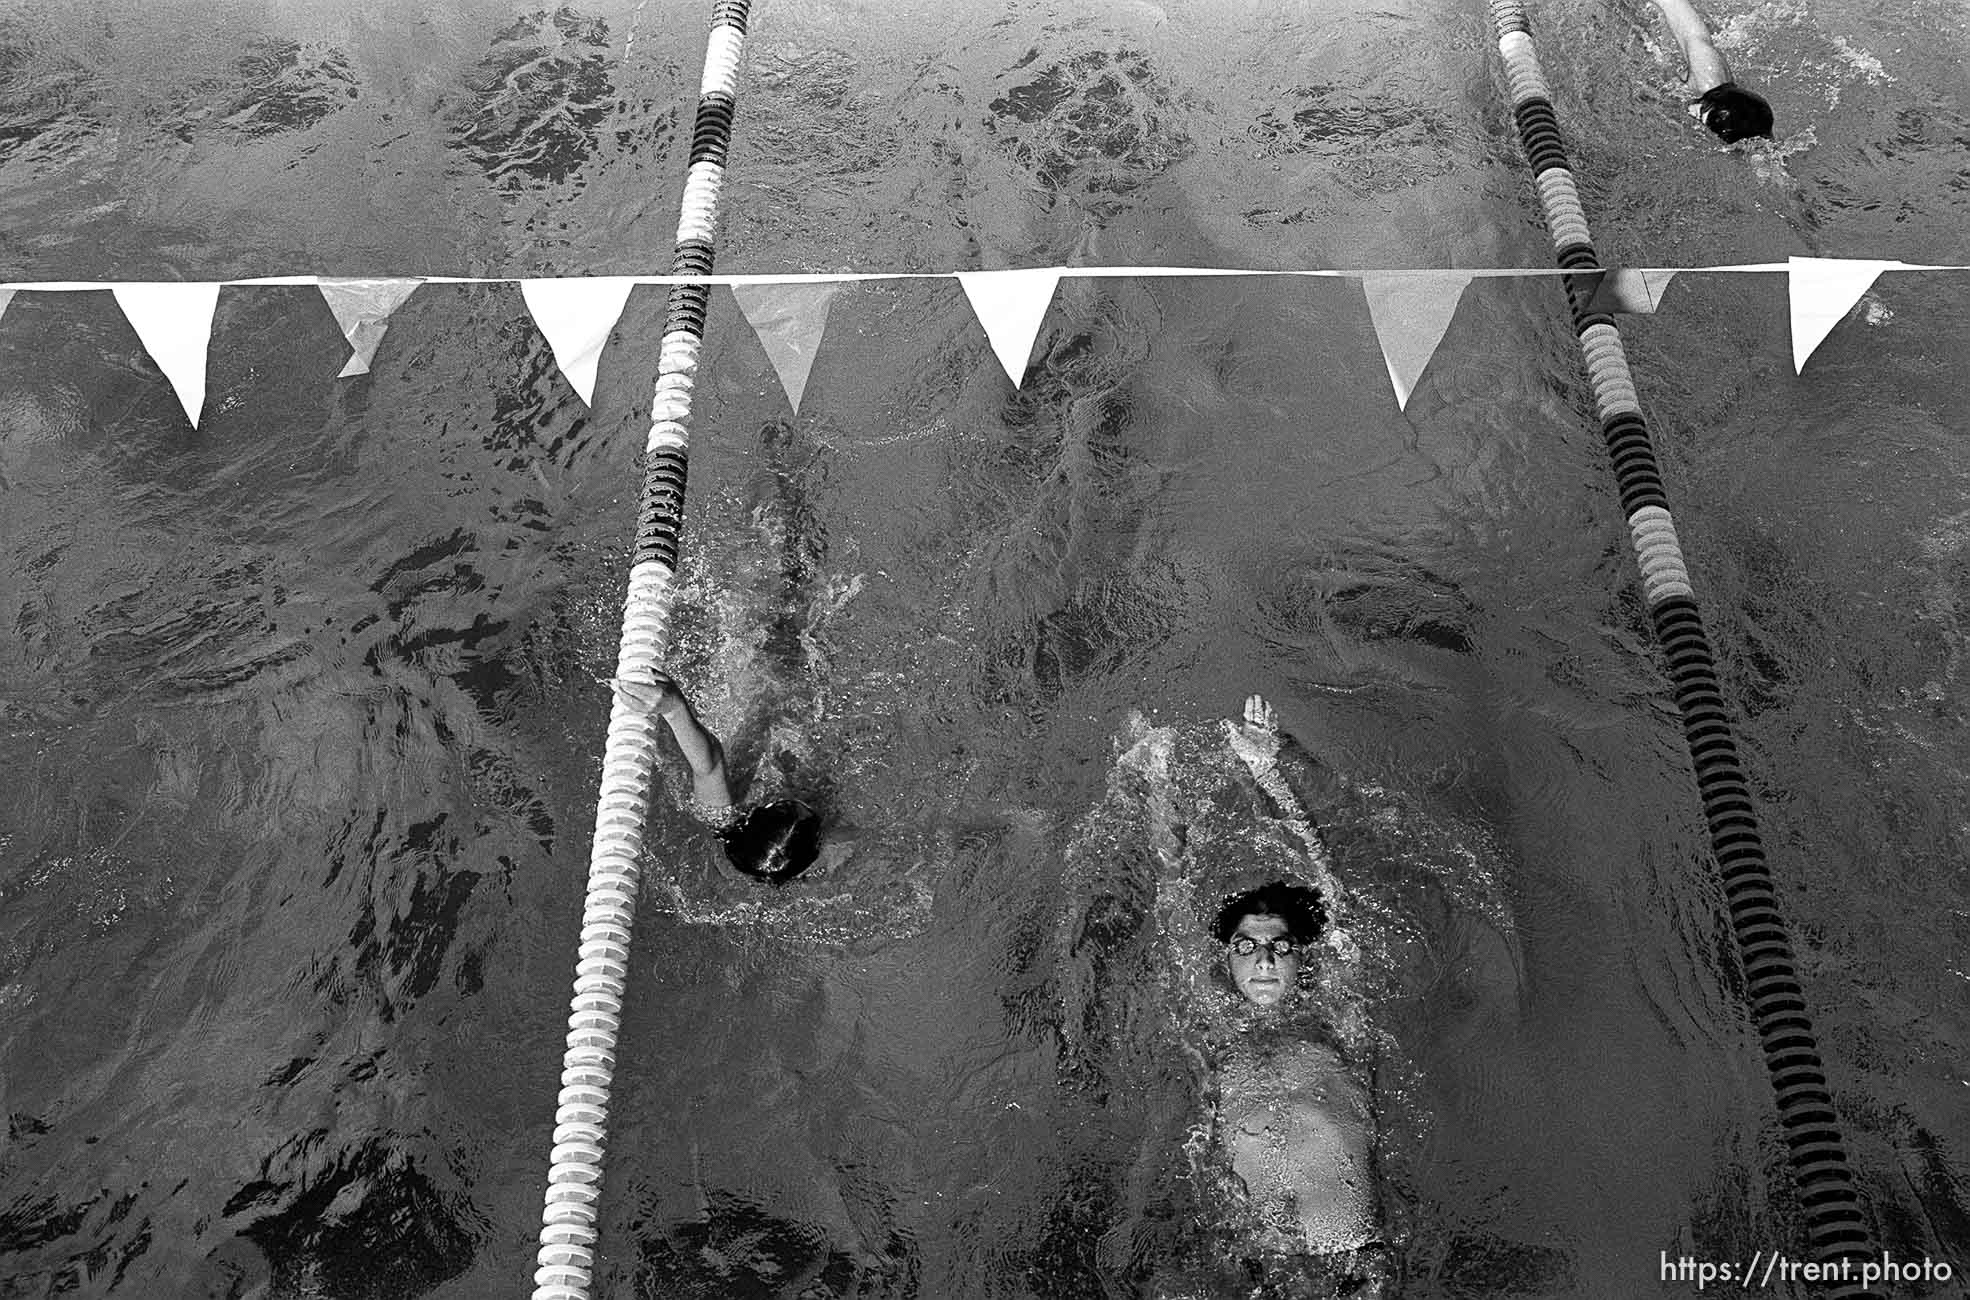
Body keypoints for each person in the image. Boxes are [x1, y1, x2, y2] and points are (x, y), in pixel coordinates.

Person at [1209, 877, 1387, 1294]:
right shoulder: (1209, 1032)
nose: (1265, 961)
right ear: (1227, 959)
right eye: (1246, 946)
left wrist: (1293, 814)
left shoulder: (1339, 1021)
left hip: (1349, 1254)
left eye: (1282, 946)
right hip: (1254, 1259)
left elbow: (1339, 909)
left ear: (1302, 957)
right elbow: (1171, 916)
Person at [612, 667, 826, 884]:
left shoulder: (723, 816)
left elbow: (709, 766)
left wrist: (674, 709)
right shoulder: (818, 853)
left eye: (791, 805)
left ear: (762, 809)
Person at [1647, 0, 1774, 141]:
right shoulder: (1707, 77)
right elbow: (1675, 8)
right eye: (1701, 112)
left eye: (1701, 118)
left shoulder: (1737, 123)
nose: (1692, 111)